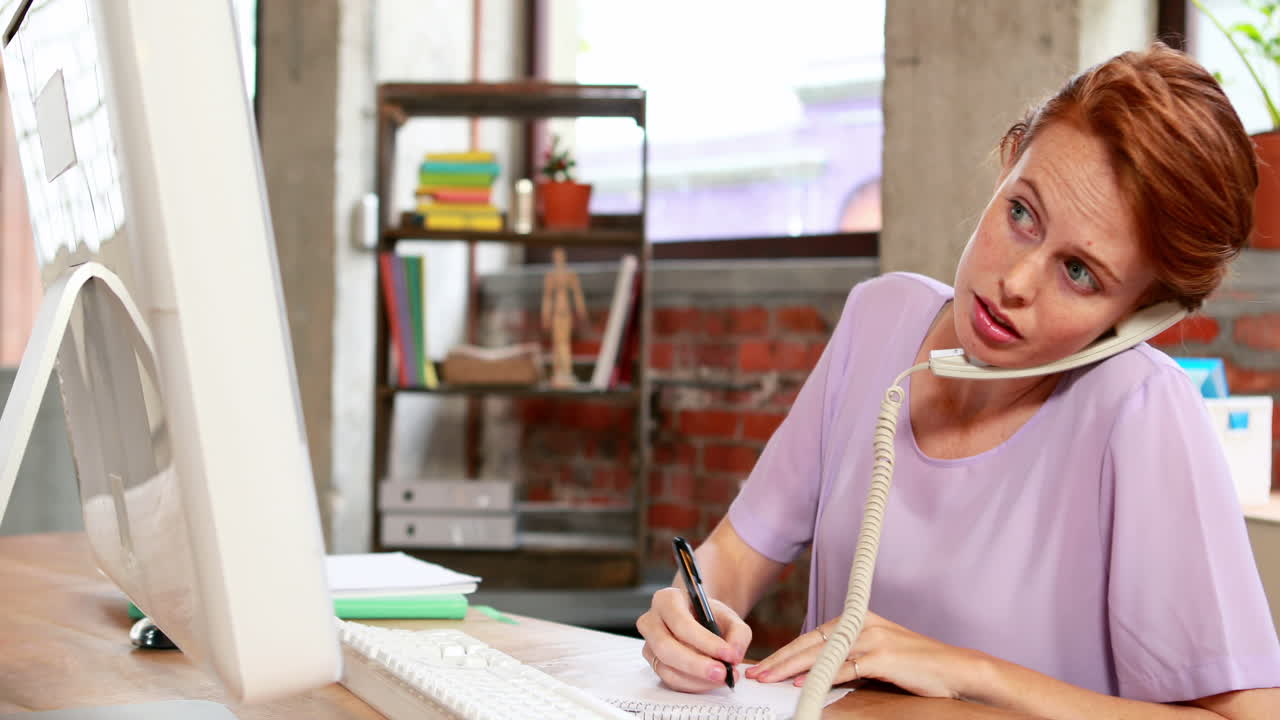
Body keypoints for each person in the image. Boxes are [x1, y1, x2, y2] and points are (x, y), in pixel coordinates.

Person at [636, 43, 1280, 718]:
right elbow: (736, 555)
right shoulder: (879, 319)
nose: (1015, 283)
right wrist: (687, 611)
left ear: (1143, 311)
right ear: (1008, 163)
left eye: (1081, 273)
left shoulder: (1143, 412)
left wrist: (967, 673)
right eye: (1022, 214)